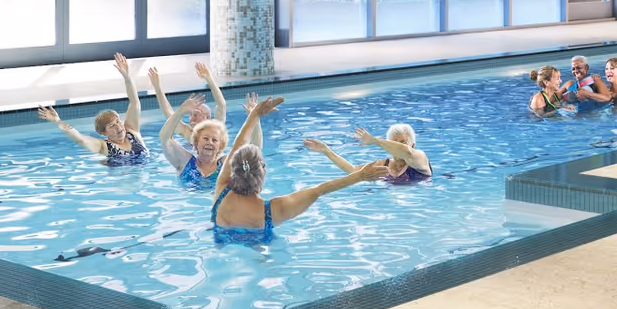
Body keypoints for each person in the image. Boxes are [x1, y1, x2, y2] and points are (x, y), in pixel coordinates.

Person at [211, 100, 386, 244]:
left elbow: (238, 145)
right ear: (262, 172)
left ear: (232, 169)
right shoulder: (273, 210)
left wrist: (254, 115)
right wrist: (360, 175)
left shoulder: (221, 190)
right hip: (260, 257)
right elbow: (320, 189)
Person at [36, 53, 149, 164]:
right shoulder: (103, 146)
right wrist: (57, 121)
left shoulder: (132, 132)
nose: (118, 127)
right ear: (104, 133)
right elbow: (80, 139)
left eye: (118, 122)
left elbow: (135, 103)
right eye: (112, 126)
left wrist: (127, 77)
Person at [303, 124, 432, 185]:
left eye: (403, 142)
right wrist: (327, 151)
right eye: (394, 142)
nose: (398, 145)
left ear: (413, 145)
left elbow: (406, 152)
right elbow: (353, 170)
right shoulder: (383, 165)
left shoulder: (419, 158)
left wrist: (375, 140)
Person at [147, 61, 228, 133]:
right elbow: (170, 115)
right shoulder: (188, 133)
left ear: (207, 117)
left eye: (195, 115)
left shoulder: (214, 131)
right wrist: (157, 87)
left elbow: (221, 105)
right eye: (191, 115)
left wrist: (209, 78)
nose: (191, 119)